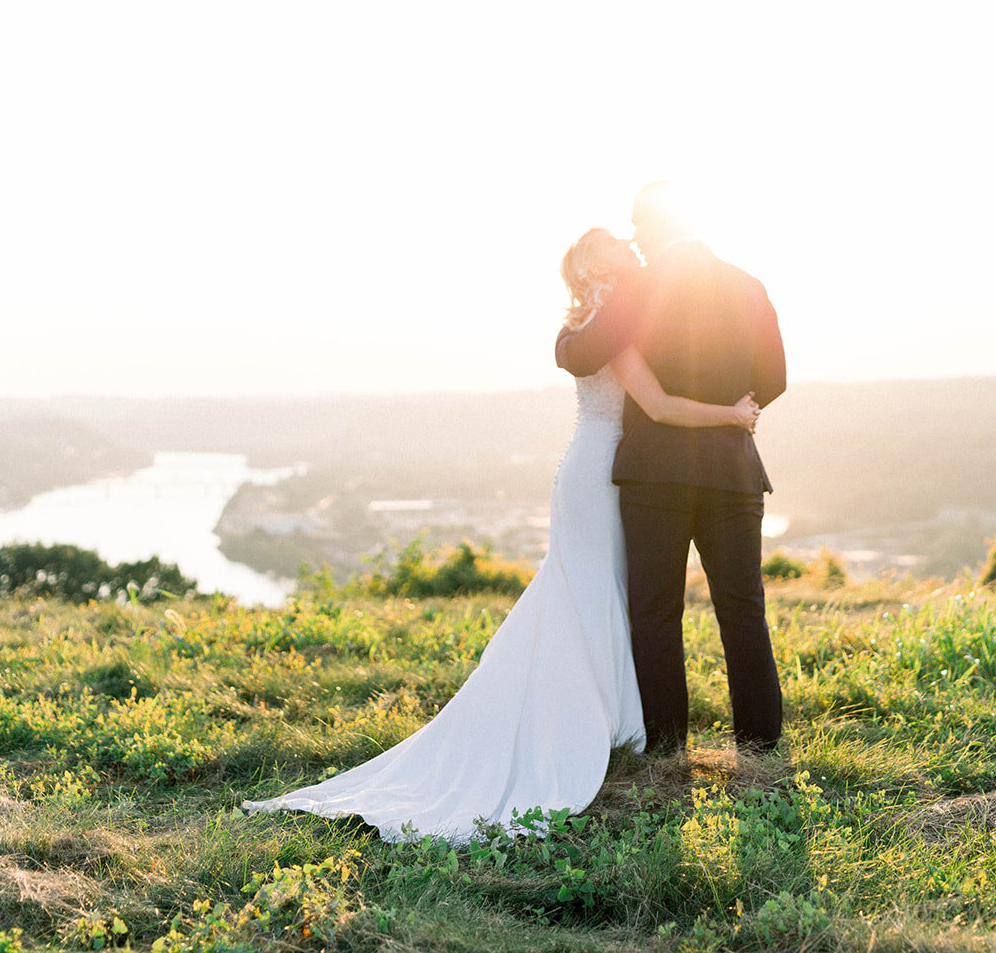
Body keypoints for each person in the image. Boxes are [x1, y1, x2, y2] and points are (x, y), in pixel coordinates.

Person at [243, 226, 759, 843]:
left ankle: (621, 723)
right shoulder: (612, 330)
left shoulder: (605, 322)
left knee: (611, 596)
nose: (631, 248)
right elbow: (661, 405)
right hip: (601, 478)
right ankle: (599, 725)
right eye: (618, 247)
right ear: (599, 270)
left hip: (606, 471)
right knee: (601, 593)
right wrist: (732, 414)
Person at [555, 182, 786, 754]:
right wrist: (737, 412)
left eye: (637, 223)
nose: (633, 235)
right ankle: (758, 747)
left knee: (656, 612)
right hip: (733, 472)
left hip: (655, 477)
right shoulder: (748, 285)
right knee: (743, 610)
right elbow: (776, 379)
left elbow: (583, 356)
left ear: (655, 226)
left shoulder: (639, 289)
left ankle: (666, 747)